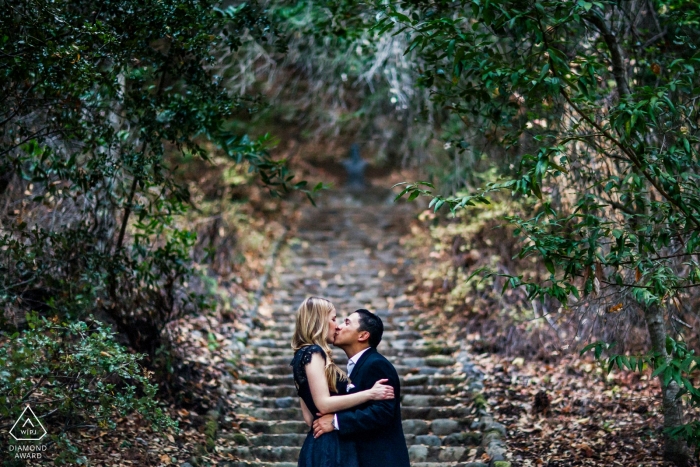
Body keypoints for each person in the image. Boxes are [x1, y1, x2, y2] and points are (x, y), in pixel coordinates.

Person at [291, 297, 395, 467]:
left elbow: (309, 418)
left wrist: (334, 420)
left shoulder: (300, 357)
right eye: (333, 319)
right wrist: (369, 393)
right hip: (332, 448)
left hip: (317, 444)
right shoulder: (315, 352)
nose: (337, 325)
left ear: (363, 335)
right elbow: (323, 404)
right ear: (319, 322)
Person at [312, 309, 410, 467]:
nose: (338, 327)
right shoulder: (356, 365)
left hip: (380, 459)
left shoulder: (377, 364)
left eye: (346, 322)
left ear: (363, 335)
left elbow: (383, 412)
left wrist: (337, 421)